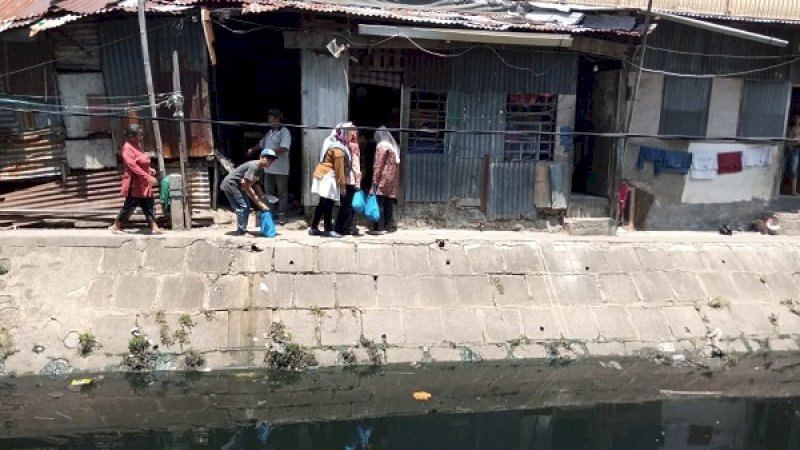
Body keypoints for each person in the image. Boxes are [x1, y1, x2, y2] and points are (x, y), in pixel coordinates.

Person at [110, 124, 162, 235]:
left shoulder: (137, 146)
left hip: (143, 183)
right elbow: (133, 166)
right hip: (135, 183)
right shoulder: (127, 148)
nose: (141, 137)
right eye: (139, 135)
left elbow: (141, 162)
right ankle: (116, 226)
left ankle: (154, 226)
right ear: (132, 136)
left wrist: (149, 169)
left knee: (148, 204)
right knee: (130, 206)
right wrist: (148, 177)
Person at [248, 109, 291, 224]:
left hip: (281, 169)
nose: (268, 120)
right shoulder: (269, 132)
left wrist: (268, 153)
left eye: (270, 118)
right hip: (268, 169)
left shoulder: (284, 132)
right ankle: (270, 213)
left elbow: (284, 147)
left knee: (282, 193)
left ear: (277, 119)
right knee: (269, 192)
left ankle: (282, 214)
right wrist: (253, 149)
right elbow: (261, 143)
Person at [221, 149, 276, 235]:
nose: (270, 161)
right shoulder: (254, 166)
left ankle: (243, 229)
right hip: (231, 185)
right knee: (242, 206)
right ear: (261, 157)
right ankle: (241, 231)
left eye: (272, 160)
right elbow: (245, 184)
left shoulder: (261, 170)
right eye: (268, 158)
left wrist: (262, 197)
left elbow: (256, 184)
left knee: (247, 206)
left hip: (239, 186)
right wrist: (258, 201)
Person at [310, 124, 349, 237]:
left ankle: (313, 227)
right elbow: (339, 169)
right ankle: (327, 229)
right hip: (328, 176)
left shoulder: (329, 142)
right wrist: (342, 186)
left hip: (322, 173)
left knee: (322, 203)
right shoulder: (338, 148)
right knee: (328, 204)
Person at [370, 127, 400, 234]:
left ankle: (379, 227)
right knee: (388, 202)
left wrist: (374, 180)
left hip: (383, 178)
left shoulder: (381, 146)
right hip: (392, 179)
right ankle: (389, 226)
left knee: (378, 202)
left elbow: (378, 165)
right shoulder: (392, 147)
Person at [335, 124, 362, 236]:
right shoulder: (354, 146)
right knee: (349, 206)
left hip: (341, 179)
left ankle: (339, 227)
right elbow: (356, 166)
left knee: (343, 204)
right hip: (350, 179)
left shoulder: (340, 144)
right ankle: (345, 228)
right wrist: (358, 183)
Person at [787, 114, 800, 196]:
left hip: (795, 150)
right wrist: (791, 143)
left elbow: (798, 141)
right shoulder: (788, 128)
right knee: (782, 169)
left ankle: (793, 191)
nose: (797, 120)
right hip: (785, 150)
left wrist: (790, 143)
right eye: (795, 118)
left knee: (793, 169)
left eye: (798, 119)